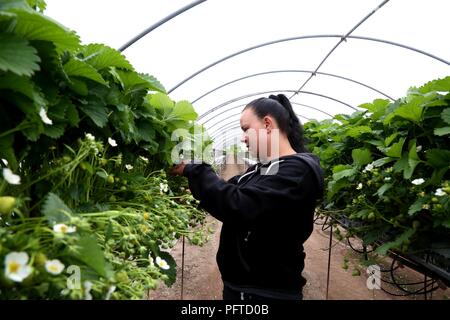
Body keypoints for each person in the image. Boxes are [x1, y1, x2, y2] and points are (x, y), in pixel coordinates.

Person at [170, 94, 324, 300]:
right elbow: (228, 191)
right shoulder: (263, 169)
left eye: (246, 129)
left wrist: (196, 170)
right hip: (245, 288)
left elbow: (238, 205)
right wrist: (192, 179)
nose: (243, 138)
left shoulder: (297, 172)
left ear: (268, 124)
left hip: (265, 293)